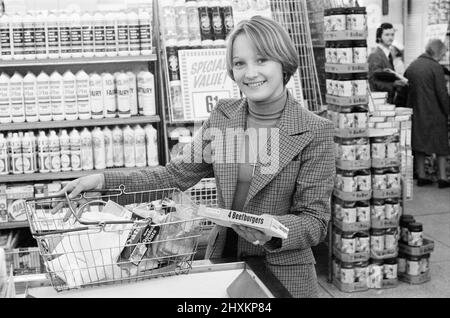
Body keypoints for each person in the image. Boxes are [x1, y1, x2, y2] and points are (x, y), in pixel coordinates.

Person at [52, 16, 336, 298]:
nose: (250, 73)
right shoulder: (224, 116)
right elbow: (174, 176)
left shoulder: (314, 130)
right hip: (225, 264)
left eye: (262, 60)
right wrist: (102, 181)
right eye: (239, 63)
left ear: (283, 62)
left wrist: (273, 231)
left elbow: (315, 220)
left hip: (283, 275)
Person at [404, 39, 450, 188]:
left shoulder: (412, 66)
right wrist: (448, 111)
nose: (443, 56)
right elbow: (442, 93)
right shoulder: (436, 67)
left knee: (419, 144)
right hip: (435, 112)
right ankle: (443, 177)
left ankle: (422, 175)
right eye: (443, 54)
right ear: (438, 52)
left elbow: (405, 89)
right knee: (441, 146)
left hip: (417, 111)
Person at [368, 23, 408, 104]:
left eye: (392, 35)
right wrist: (394, 84)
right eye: (387, 35)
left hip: (388, 99)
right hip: (379, 100)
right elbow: (373, 81)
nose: (390, 38)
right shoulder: (375, 55)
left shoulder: (387, 54)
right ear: (379, 37)